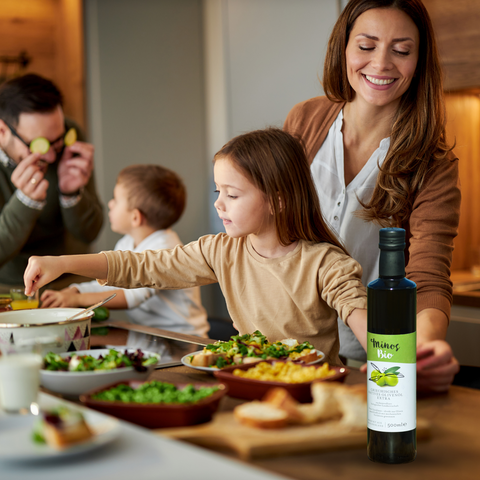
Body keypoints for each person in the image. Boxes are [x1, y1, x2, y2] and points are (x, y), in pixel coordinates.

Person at [24, 128, 369, 366]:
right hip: (248, 381)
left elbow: (365, 321)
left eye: (232, 195)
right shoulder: (220, 251)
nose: (219, 204)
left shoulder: (325, 263)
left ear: (277, 201)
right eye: (218, 192)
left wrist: (390, 369)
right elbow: (142, 267)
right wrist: (62, 262)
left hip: (314, 389)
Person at [283, 0, 460, 392]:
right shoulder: (304, 122)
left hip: (371, 360)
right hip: (284, 349)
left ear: (419, 60)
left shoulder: (433, 161)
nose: (381, 64)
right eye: (366, 46)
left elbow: (428, 274)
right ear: (343, 49)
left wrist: (426, 346)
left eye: (401, 50)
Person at [39, 164, 209, 352]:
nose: (110, 204)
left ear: (136, 217)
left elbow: (131, 297)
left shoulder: (165, 249)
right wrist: (76, 291)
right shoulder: (127, 243)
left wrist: (77, 302)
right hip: (150, 337)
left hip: (183, 342)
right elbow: (112, 283)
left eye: (116, 200)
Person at [0, 73, 103, 288]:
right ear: (2, 131)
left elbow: (89, 232)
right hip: (12, 290)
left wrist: (71, 195)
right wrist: (25, 202)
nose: (51, 157)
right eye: (39, 145)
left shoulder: (71, 135)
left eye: (57, 142)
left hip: (73, 285)